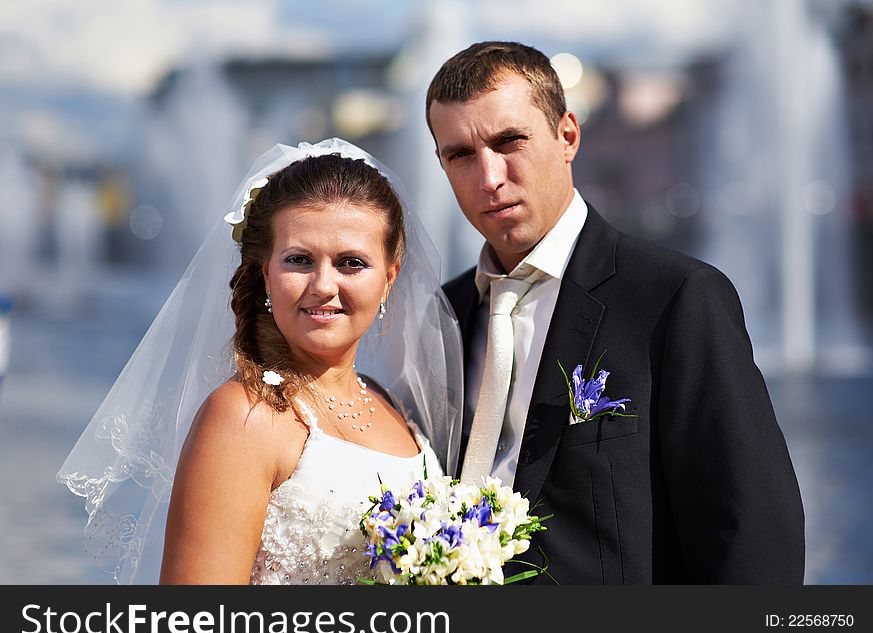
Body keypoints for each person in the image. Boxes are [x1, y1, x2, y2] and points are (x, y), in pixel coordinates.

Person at [427, 41, 805, 584]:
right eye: (459, 154)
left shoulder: (677, 298)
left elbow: (752, 531)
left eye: (510, 141)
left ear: (567, 137)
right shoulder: (443, 314)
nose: (488, 177)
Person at [57, 139, 462, 584]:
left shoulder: (392, 405)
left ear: (389, 277)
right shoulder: (244, 417)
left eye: (351, 263)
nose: (324, 285)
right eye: (299, 260)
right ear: (265, 272)